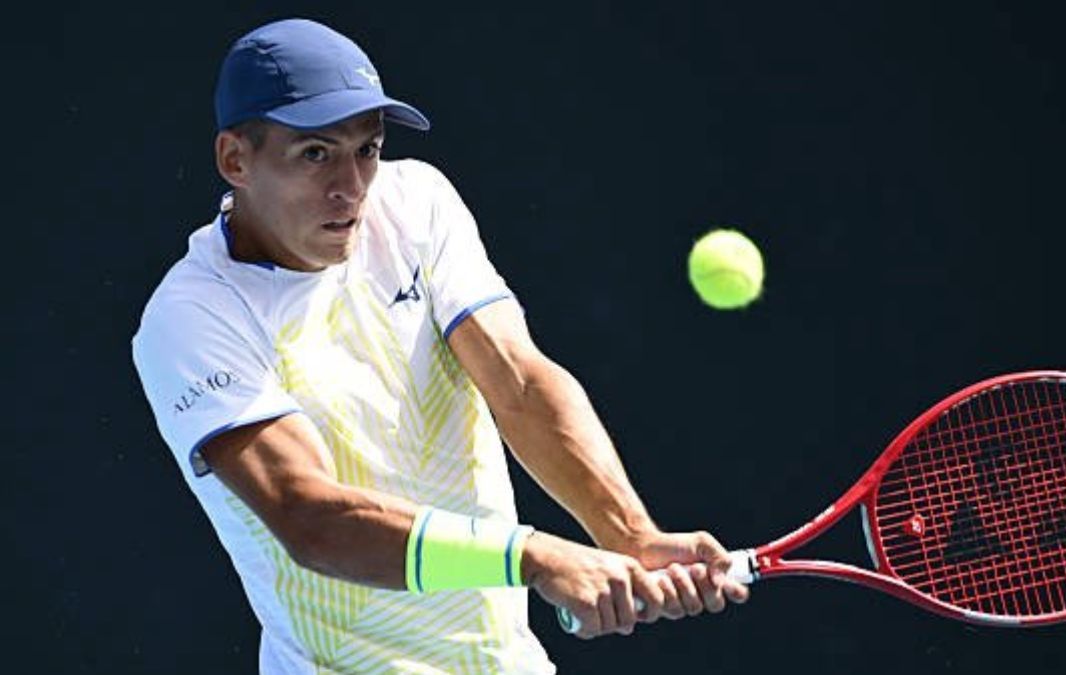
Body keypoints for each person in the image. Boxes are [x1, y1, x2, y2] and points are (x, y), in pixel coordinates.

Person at [131, 17, 747, 675]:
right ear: (235, 159)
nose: (351, 187)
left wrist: (628, 532)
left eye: (367, 149)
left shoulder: (415, 203)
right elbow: (307, 516)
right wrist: (533, 555)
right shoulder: (191, 317)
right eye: (315, 154)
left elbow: (517, 380)